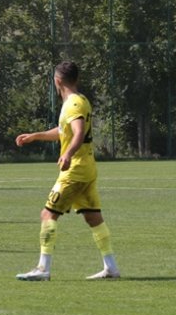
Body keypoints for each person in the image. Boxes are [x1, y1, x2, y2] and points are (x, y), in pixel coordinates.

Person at [15, 60, 120, 281]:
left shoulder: (72, 104)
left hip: (76, 170)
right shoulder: (79, 101)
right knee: (93, 218)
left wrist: (68, 154)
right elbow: (65, 131)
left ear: (57, 80)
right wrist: (36, 136)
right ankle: (111, 267)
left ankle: (43, 269)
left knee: (48, 214)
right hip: (87, 167)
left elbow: (78, 132)